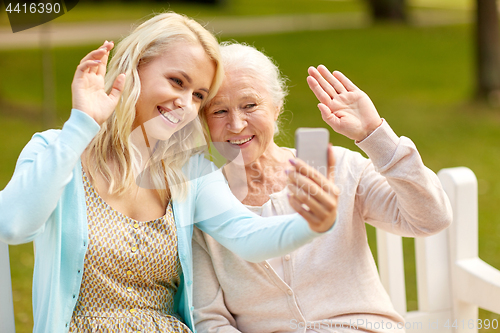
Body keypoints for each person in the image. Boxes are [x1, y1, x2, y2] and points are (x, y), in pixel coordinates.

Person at [0, 14, 333, 333]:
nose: (185, 103)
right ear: (136, 66)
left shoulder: (191, 172)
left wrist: (311, 223)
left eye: (198, 96)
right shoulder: (59, 150)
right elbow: (13, 225)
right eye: (177, 82)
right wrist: (82, 125)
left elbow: (248, 237)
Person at [192, 42, 453, 333]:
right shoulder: (204, 206)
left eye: (250, 105)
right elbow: (210, 320)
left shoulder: (339, 168)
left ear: (276, 107)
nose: (237, 124)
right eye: (218, 111)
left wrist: (374, 135)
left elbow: (431, 219)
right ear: (202, 120)